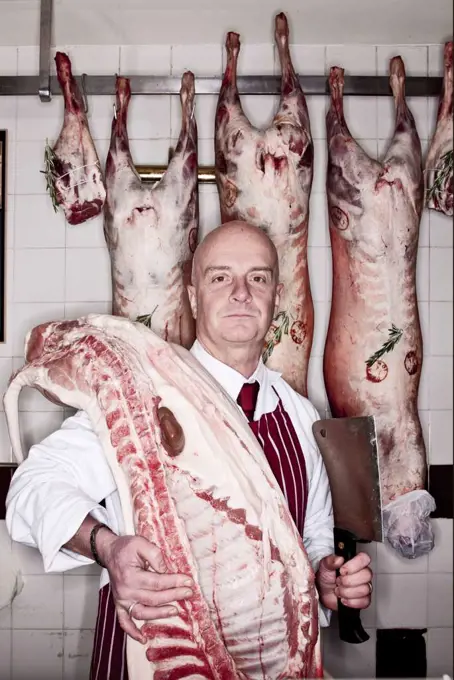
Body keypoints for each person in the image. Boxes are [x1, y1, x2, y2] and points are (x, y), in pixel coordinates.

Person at [6, 221, 372, 679]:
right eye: (221, 277)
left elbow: (313, 532)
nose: (241, 292)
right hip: (158, 652)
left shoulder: (299, 415)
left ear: (277, 298)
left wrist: (326, 575)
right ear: (194, 296)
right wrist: (107, 545)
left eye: (258, 278)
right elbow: (31, 488)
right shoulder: (143, 394)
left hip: (272, 662)